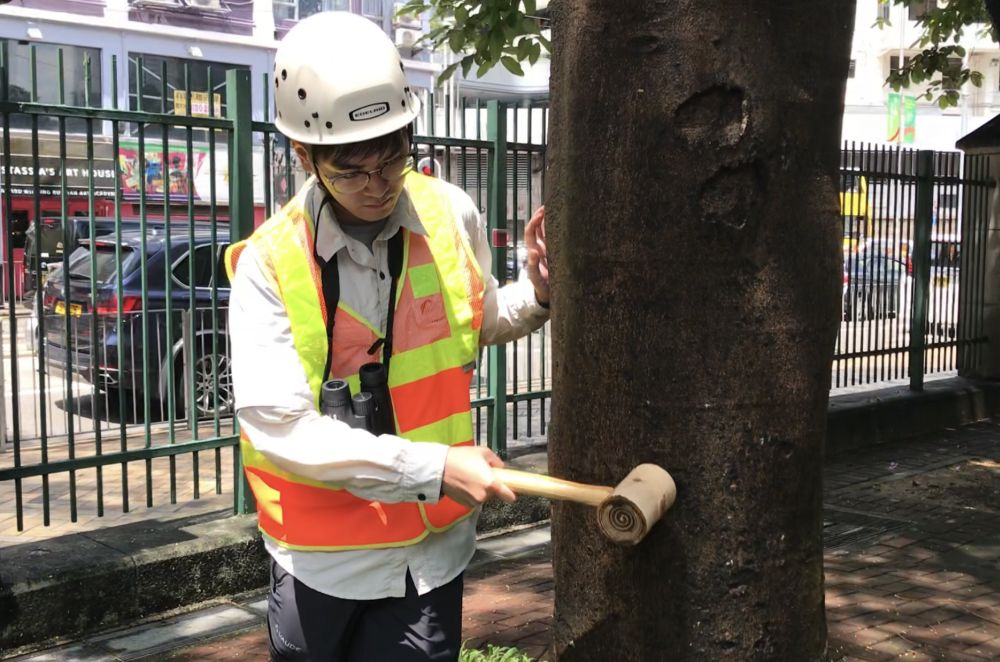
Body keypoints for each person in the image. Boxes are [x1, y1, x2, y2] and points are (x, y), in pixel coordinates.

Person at [224, 11, 550, 662]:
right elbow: (281, 428)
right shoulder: (268, 265)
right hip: (323, 564)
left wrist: (541, 292)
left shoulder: (450, 212)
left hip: (429, 558)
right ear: (304, 155)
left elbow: (479, 321)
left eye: (393, 156)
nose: (376, 185)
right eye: (350, 170)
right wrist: (434, 467)